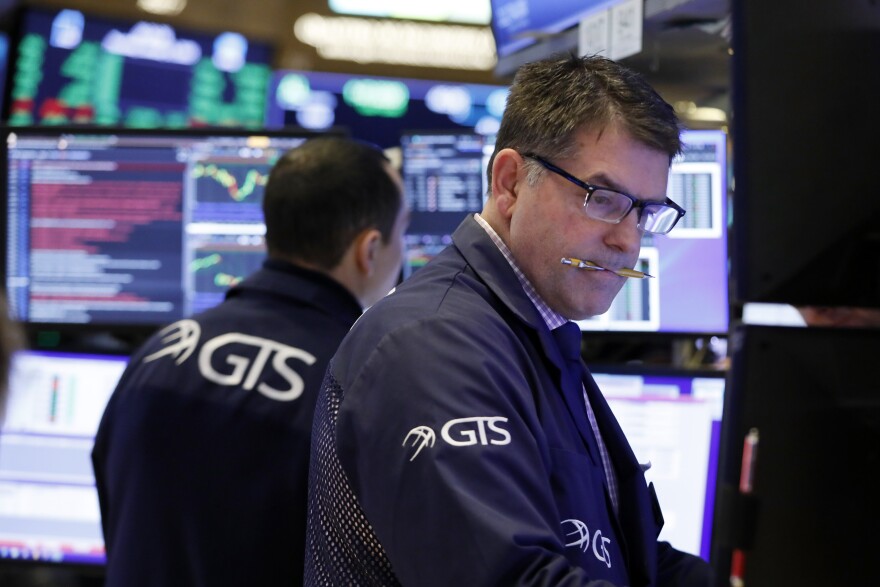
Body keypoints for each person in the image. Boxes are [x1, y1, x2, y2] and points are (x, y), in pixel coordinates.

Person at [305, 54, 713, 586]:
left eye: (646, 211)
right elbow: (510, 579)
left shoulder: (536, 331)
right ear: (511, 182)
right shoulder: (431, 342)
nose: (628, 240)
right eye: (603, 198)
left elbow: (631, 560)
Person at [92, 136, 408, 587]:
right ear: (370, 249)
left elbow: (117, 520)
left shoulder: (159, 351)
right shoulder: (352, 385)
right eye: (403, 232)